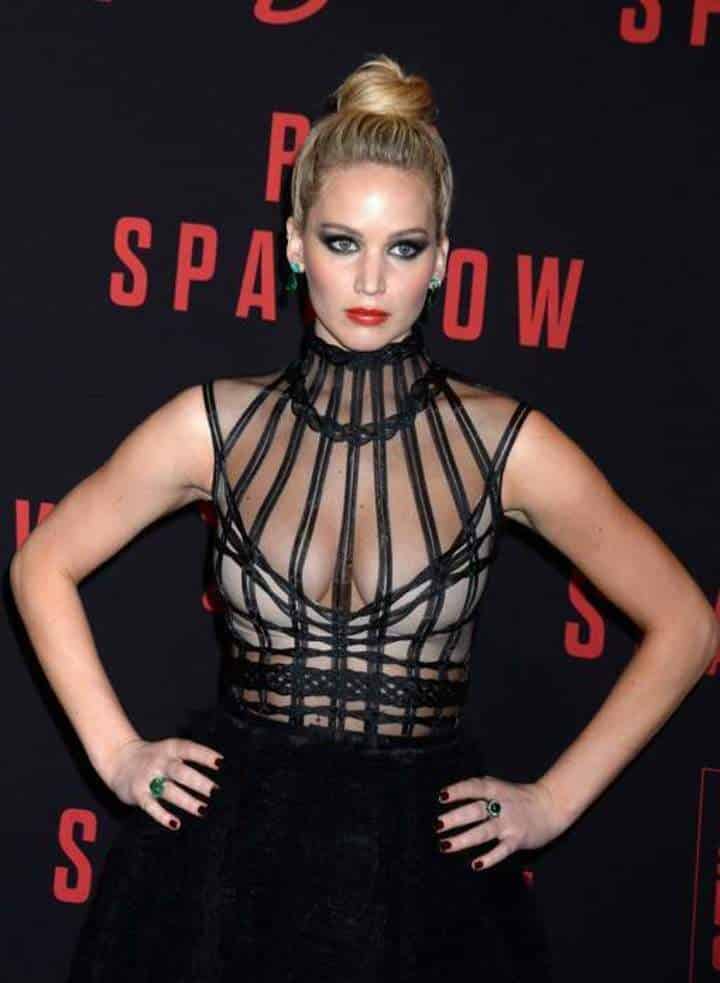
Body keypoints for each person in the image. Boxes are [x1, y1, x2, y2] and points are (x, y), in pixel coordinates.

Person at [10, 54, 717, 983]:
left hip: (426, 883)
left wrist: (552, 801)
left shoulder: (507, 444)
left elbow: (687, 623)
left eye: (405, 247)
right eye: (343, 242)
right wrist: (118, 753)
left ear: (444, 260)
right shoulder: (212, 426)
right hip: (220, 872)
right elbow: (41, 563)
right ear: (295, 245)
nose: (372, 279)